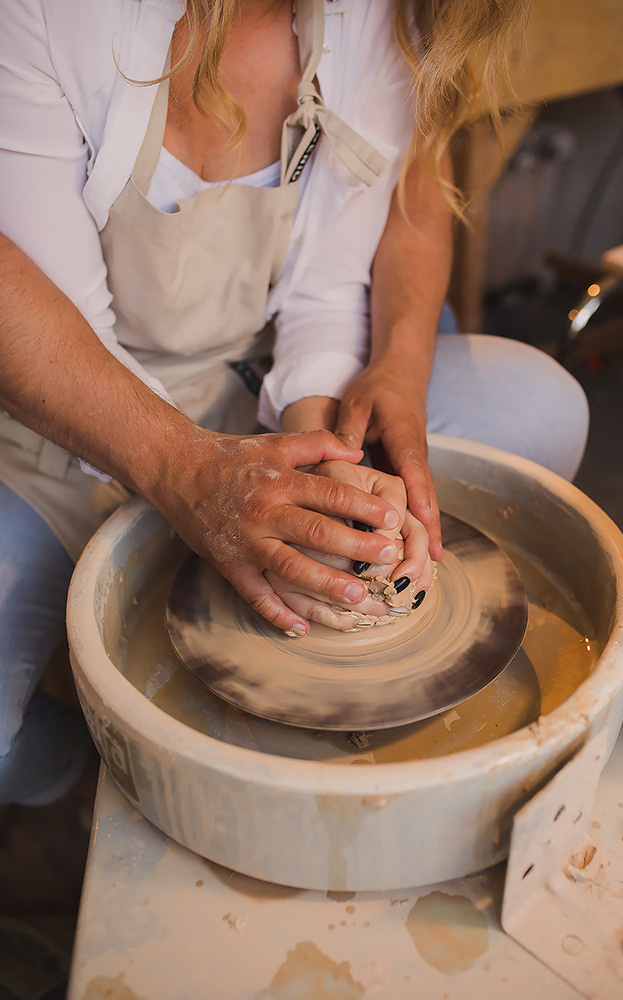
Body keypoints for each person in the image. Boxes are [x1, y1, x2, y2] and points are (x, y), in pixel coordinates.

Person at [0, 0, 588, 805]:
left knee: (536, 405)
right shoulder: (47, 13)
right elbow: (52, 323)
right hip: (52, 398)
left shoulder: (377, 14)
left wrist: (324, 458)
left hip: (248, 368)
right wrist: (195, 476)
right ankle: (71, 777)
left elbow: (322, 289)